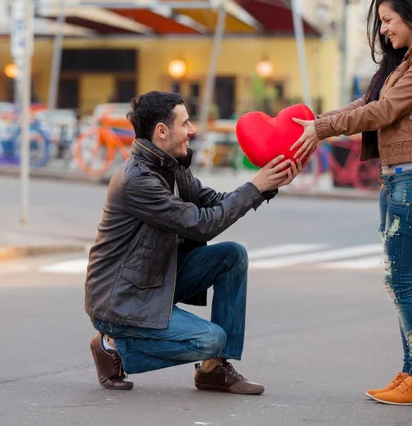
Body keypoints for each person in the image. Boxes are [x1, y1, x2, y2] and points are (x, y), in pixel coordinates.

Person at [291, 0, 412, 406]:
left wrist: (323, 129)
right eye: (380, 23)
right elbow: (367, 100)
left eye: (387, 21)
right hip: (398, 181)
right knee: (402, 281)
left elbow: (383, 111)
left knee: (401, 283)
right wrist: (318, 121)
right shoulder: (410, 58)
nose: (383, 31)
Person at [85, 91, 302, 394]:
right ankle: (114, 347)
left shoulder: (173, 167)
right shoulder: (138, 181)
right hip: (123, 298)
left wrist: (269, 184)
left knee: (232, 256)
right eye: (185, 123)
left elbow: (214, 203)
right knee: (210, 339)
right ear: (162, 131)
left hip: (156, 280)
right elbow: (201, 225)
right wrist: (255, 186)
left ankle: (214, 370)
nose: (192, 130)